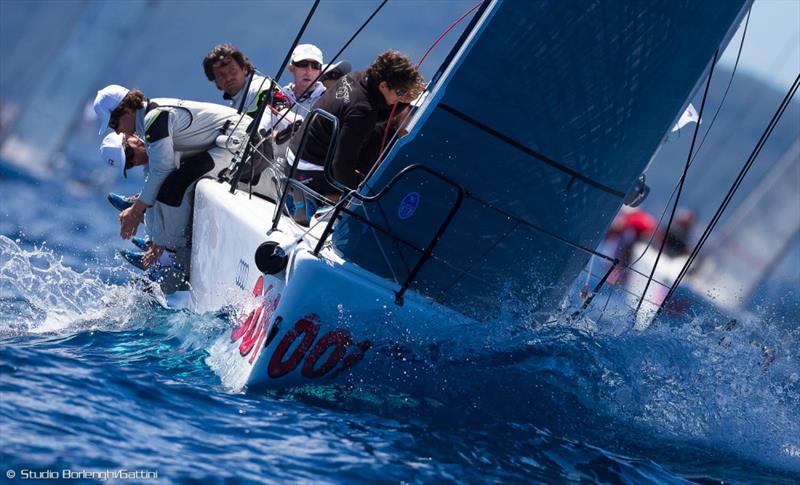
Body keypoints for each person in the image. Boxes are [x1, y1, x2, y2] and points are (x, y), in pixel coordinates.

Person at [94, 84, 248, 269]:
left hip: (241, 141)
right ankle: (164, 248)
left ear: (126, 111)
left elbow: (162, 171)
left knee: (174, 185)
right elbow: (155, 175)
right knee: (167, 186)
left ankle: (172, 256)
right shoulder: (148, 122)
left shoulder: (155, 118)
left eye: (113, 124)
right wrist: (155, 236)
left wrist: (136, 211)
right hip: (226, 143)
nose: (117, 131)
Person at [286, 49, 425, 199]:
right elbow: (341, 163)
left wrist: (404, 101)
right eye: (400, 93)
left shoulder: (355, 78)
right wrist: (352, 197)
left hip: (294, 156)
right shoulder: (362, 111)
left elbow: (377, 116)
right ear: (383, 86)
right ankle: (317, 201)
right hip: (305, 170)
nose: (401, 97)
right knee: (375, 191)